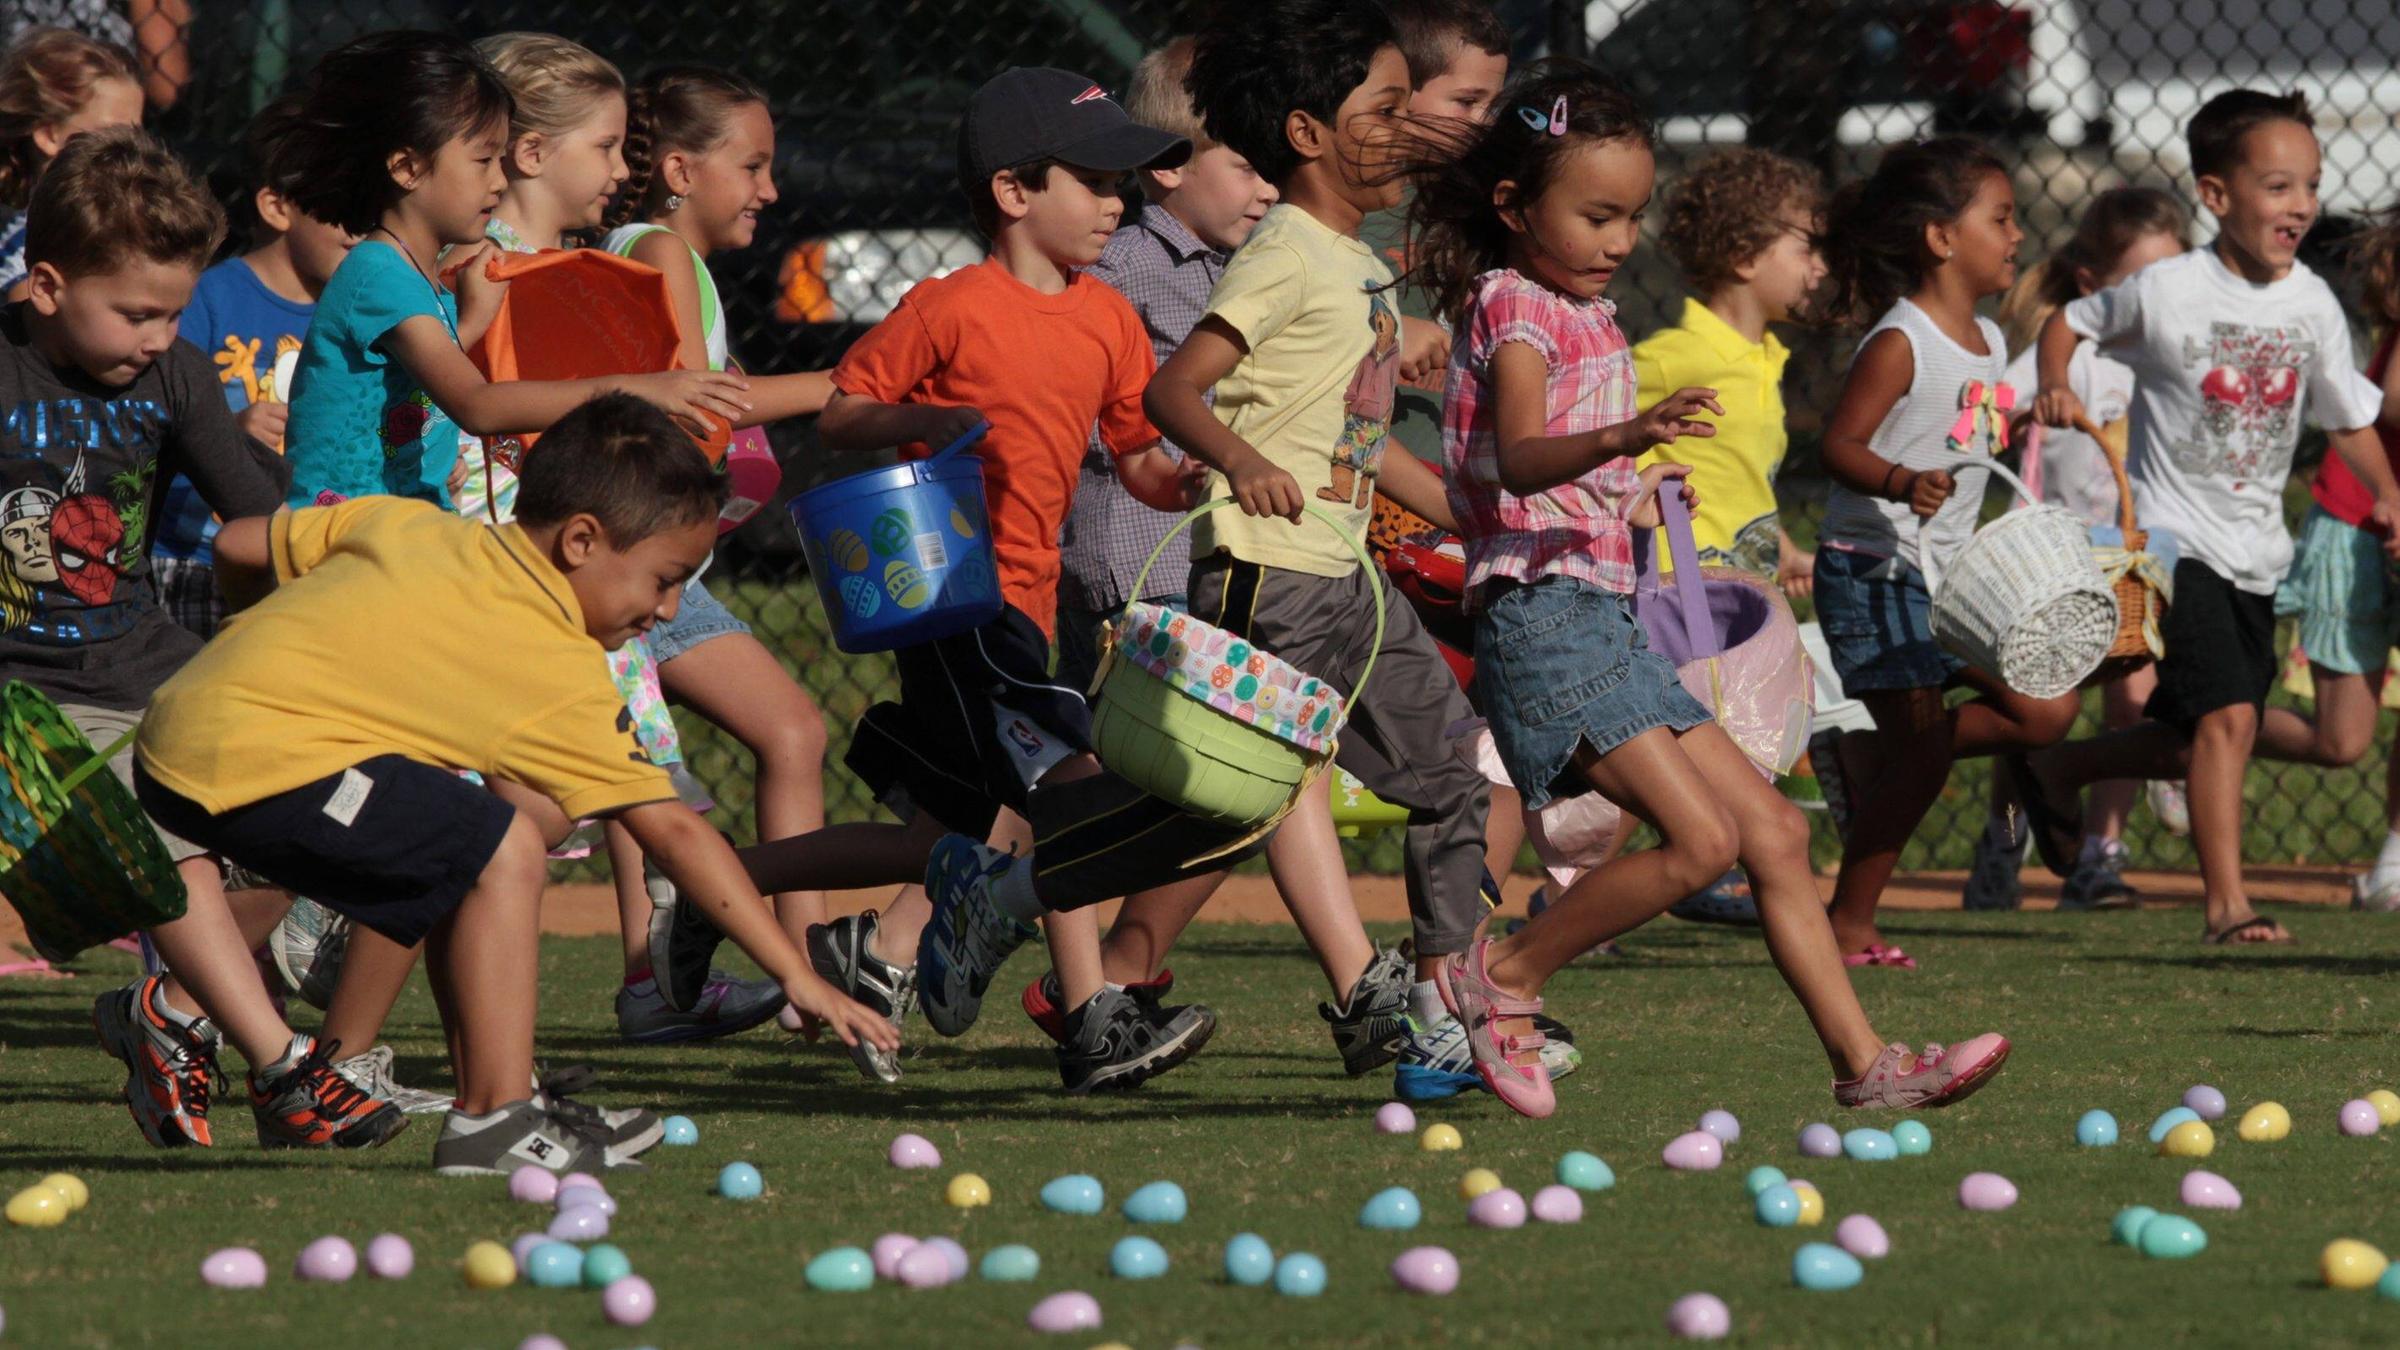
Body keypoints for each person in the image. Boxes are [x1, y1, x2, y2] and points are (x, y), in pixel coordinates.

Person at [1403, 62, 2009, 1120]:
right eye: (1596, 216)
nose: (1619, 240)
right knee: (1703, 844)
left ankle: (1866, 1066)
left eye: (1631, 216)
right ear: (1513, 206)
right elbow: (1522, 457)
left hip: (1598, 614)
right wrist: (1623, 438)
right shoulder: (1514, 305)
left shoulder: (1584, 311)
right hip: (1545, 621)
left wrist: (1630, 493)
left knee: (1774, 833)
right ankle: (1500, 978)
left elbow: (1543, 477)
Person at [660, 64, 1249, 1095]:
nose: (1115, 202)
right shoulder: (950, 307)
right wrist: (921, 422)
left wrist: (1182, 478)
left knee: (940, 834)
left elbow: (1136, 459)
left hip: (1032, 600)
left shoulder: (1109, 320)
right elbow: (846, 408)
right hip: (957, 600)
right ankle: (1090, 1020)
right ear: (1014, 191)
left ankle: (715, 891)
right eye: (1093, 182)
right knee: (1067, 786)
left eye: (1121, 183)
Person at [132, 393, 900, 1176]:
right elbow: (673, 830)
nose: (667, 609)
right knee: (503, 845)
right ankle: (495, 1118)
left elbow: (239, 542)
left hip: (178, 733)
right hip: (250, 765)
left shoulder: (409, 525)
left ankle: (494, 1101)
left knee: (465, 836)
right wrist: (796, 975)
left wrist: (251, 641)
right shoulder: (556, 665)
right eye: (663, 580)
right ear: (581, 540)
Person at [1, 126, 403, 1151]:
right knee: (166, 848)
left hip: (147, 662)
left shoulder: (173, 374)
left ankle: (169, 1014)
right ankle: (285, 1071)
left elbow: (261, 512)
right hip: (28, 695)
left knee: (327, 800)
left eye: (175, 312)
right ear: (46, 286)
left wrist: (376, 544)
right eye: (136, 313)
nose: (159, 335)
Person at [1146, 0, 1510, 1088]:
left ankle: (1444, 1008)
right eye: (1384, 111)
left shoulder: (1354, 264)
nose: (1407, 132)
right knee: (1220, 807)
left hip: (1346, 580)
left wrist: (1474, 518)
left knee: (1452, 774)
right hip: (1269, 579)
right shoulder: (1286, 255)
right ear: (1309, 133)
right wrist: (1241, 460)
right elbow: (1176, 390)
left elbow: (1356, 443)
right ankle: (1008, 894)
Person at [458, 33, 781, 1049]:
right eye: (603, 147)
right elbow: (477, 404)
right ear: (531, 153)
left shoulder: (592, 270)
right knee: (506, 810)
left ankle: (647, 987)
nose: (619, 168)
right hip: (503, 567)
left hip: (586, 569)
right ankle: (314, 942)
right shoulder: (469, 267)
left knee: (626, 769)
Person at [2021, 90, 2400, 945]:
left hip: (2256, 552)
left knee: (2208, 729)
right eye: (2278, 185)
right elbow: (2069, 323)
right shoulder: (2167, 291)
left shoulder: (2311, 305)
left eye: (2312, 185)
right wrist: (2053, 382)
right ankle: (2228, 906)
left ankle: (2061, 765)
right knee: (2228, 717)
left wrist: (2388, 493)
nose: (2301, 204)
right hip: (2172, 541)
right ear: (2218, 195)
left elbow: (2347, 418)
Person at [1803, 137, 2078, 968]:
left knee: (2045, 710)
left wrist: (2021, 422)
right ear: (1941, 238)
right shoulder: (1903, 341)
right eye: (2002, 219)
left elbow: (1963, 434)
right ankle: (1848, 925)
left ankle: (1868, 754)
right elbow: (1837, 445)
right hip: (1874, 572)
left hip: (1951, 579)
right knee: (1923, 759)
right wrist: (1898, 480)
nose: (2018, 236)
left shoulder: (1988, 338)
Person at [275, 31, 747, 512]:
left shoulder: (412, 273)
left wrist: (472, 322)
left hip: (404, 517)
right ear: (407, 168)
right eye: (484, 161)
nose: (499, 180)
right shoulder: (380, 274)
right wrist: (640, 391)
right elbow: (477, 405)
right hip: (345, 525)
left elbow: (415, 374)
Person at [599, 65, 840, 1006]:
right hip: (632, 564)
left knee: (791, 730)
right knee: (629, 773)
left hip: (666, 566)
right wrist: (843, 384)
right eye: (753, 166)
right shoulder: (658, 251)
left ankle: (809, 967)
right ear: (680, 171)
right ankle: (657, 983)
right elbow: (698, 413)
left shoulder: (665, 257)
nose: (769, 190)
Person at [1629, 145, 1827, 925]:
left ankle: (1579, 896)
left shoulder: (1763, 360)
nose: (1818, 268)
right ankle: (1690, 869)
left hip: (1734, 598)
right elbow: (1595, 424)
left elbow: (1739, 478)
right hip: (1677, 596)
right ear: (1745, 256)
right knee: (1677, 746)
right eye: (1805, 247)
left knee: (1727, 735)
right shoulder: (1675, 357)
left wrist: (1782, 550)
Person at [1982, 186, 2190, 911]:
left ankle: (2099, 854)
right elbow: (1991, 413)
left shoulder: (2175, 353)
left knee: (2134, 704)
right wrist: (2041, 400)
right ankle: (2005, 840)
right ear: (2092, 285)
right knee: (2035, 720)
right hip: (2054, 573)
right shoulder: (2070, 353)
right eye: (2142, 280)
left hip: (2136, 570)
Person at [151, 96, 354, 642]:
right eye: (344, 205)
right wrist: (224, 434)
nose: (361, 227)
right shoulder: (205, 299)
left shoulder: (358, 313)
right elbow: (154, 423)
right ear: (276, 207)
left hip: (307, 565)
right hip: (194, 560)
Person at [2282, 204, 2400, 912]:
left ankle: (2393, 867)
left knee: (2346, 741)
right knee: (2340, 739)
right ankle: (2200, 733)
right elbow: (2392, 403)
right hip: (2356, 531)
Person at [0, 25, 141, 298]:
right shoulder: (30, 244)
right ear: (49, 135)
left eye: (138, 133)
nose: (133, 148)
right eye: (113, 132)